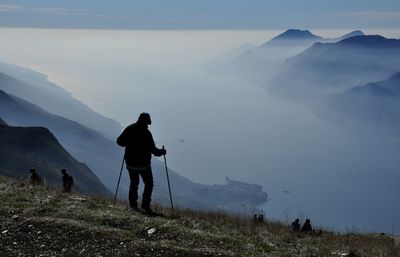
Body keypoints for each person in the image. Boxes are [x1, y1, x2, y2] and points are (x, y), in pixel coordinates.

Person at [117, 112, 166, 215]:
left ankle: (133, 205)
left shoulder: (129, 128)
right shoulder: (147, 133)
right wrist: (162, 152)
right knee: (148, 183)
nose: (148, 125)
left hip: (130, 163)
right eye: (148, 122)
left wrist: (128, 143)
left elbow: (120, 142)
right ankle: (145, 205)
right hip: (144, 165)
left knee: (134, 183)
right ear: (146, 121)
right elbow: (154, 150)